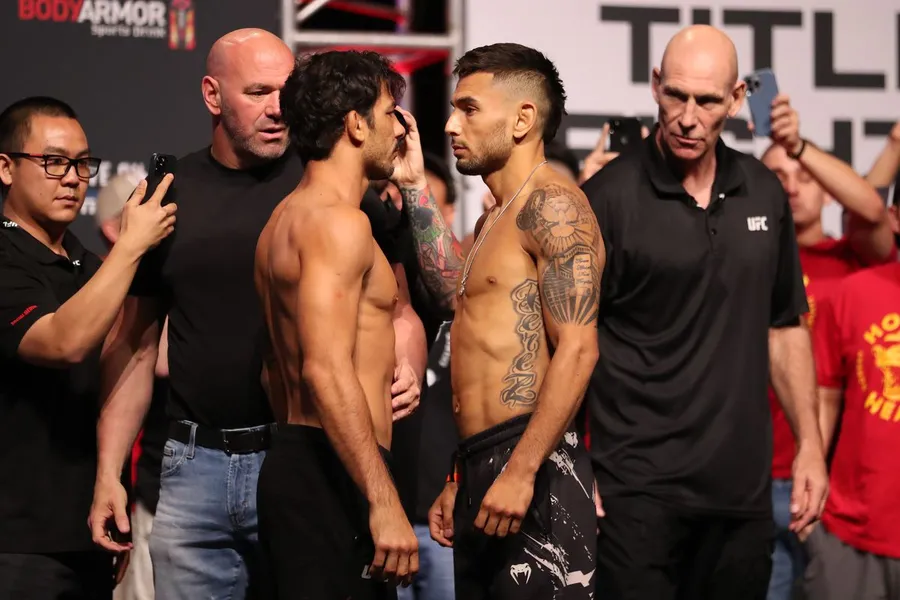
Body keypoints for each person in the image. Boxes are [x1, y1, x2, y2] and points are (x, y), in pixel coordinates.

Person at [88, 29, 425, 600]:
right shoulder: (170, 195)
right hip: (200, 465)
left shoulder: (328, 185)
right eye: (258, 92)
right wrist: (108, 472)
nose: (277, 108)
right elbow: (134, 344)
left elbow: (399, 312)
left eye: (284, 92)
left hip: (297, 447)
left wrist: (407, 362)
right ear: (212, 95)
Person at [579, 25, 829, 598]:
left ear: (737, 99)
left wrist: (811, 445)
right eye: (676, 96)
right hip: (634, 492)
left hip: (740, 496)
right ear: (655, 86)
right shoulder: (607, 198)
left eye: (708, 101)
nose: (688, 118)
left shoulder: (764, 191)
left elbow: (784, 327)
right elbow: (568, 339)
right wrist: (571, 464)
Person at [395, 42, 604, 598]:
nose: (450, 124)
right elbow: (455, 299)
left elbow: (579, 349)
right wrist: (459, 474)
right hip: (482, 464)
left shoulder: (555, 207)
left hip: (536, 468)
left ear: (522, 119)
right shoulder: (493, 220)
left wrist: (521, 471)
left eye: (468, 108)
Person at [254, 50, 419, 599]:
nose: (401, 129)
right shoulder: (338, 224)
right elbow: (323, 369)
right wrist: (383, 499)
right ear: (355, 123)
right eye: (390, 113)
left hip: (305, 462)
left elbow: (273, 372)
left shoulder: (282, 220)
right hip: (335, 475)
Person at [0, 96, 175, 599]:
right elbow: (64, 343)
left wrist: (111, 482)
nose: (73, 178)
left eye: (82, 163)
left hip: (92, 530)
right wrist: (132, 246)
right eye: (53, 162)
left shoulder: (91, 268)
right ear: (6, 168)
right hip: (16, 541)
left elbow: (138, 364)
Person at [759, 99, 894, 600]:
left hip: (828, 484)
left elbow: (872, 208)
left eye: (805, 176)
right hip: (752, 475)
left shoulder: (853, 263)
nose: (792, 187)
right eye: (777, 177)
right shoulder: (743, 260)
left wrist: (799, 148)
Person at [805, 196, 900, 598]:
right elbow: (825, 398)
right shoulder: (854, 292)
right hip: (852, 532)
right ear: (895, 217)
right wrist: (810, 486)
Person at [96, 173, 172, 600]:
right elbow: (157, 360)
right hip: (144, 482)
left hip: (156, 477)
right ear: (114, 226)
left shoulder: (160, 274)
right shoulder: (99, 285)